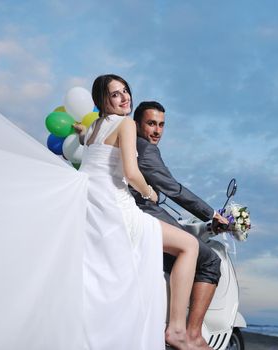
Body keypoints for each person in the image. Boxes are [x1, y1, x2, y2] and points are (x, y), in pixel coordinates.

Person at [75, 75, 198, 350]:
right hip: (118, 210)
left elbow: (90, 149)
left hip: (95, 211)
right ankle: (177, 329)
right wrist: (150, 193)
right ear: (103, 100)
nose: (125, 97)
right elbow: (131, 173)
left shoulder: (94, 128)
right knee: (189, 246)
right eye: (116, 94)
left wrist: (79, 132)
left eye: (125, 91)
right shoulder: (126, 124)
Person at [130, 101, 230, 350]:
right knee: (209, 261)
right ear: (137, 123)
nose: (157, 131)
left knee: (186, 248)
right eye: (151, 123)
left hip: (142, 213)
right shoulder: (145, 149)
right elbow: (173, 188)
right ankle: (192, 334)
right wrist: (211, 214)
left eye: (161, 125)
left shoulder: (127, 144)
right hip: (145, 214)